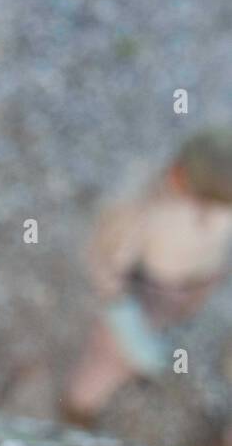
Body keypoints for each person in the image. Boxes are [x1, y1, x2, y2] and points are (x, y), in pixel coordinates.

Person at [64, 128, 232, 426]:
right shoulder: (139, 203)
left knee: (170, 352)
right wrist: (123, 317)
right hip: (144, 293)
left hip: (193, 292)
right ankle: (77, 415)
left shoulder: (219, 194)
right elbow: (104, 262)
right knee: (109, 362)